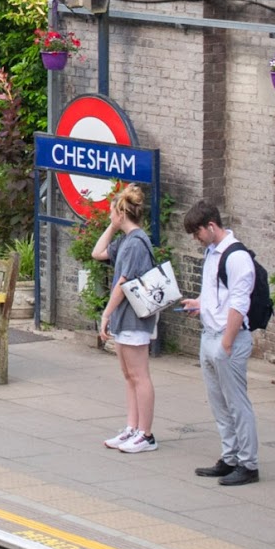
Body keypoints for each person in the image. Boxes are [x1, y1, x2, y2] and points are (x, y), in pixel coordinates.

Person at [180, 202, 260, 486]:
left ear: (211, 226)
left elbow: (240, 302)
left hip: (229, 338)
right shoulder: (211, 253)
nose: (196, 238)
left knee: (237, 403)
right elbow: (218, 295)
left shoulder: (237, 257)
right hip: (210, 335)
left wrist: (226, 342)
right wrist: (200, 305)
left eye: (197, 232)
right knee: (218, 402)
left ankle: (248, 464)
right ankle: (230, 457)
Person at [95, 185, 160, 453]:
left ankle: (146, 434)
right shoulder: (126, 241)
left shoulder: (136, 243)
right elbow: (98, 253)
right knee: (128, 374)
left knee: (139, 375)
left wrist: (106, 313)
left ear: (121, 213)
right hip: (125, 319)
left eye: (112, 212)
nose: (109, 216)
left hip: (134, 319)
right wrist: (112, 227)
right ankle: (132, 427)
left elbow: (122, 284)